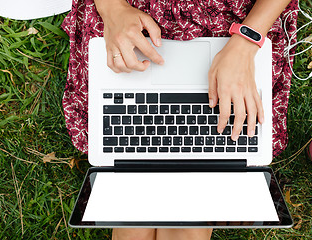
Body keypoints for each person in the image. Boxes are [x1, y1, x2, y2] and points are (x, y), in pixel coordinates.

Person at [61, 0, 298, 239]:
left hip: (234, 22)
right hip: (132, 14)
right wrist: (112, 9)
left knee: (173, 225)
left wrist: (247, 40)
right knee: (138, 224)